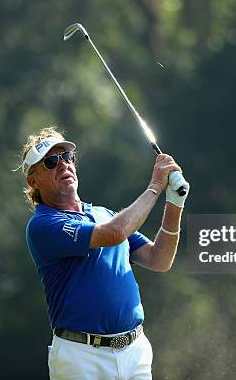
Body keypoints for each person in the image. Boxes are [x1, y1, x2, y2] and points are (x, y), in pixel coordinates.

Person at [20, 126, 189, 380]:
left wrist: (175, 203)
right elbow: (115, 233)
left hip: (135, 351)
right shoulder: (43, 224)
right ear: (33, 181)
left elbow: (159, 259)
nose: (63, 165)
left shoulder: (104, 214)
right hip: (81, 357)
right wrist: (155, 185)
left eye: (67, 157)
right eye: (51, 162)